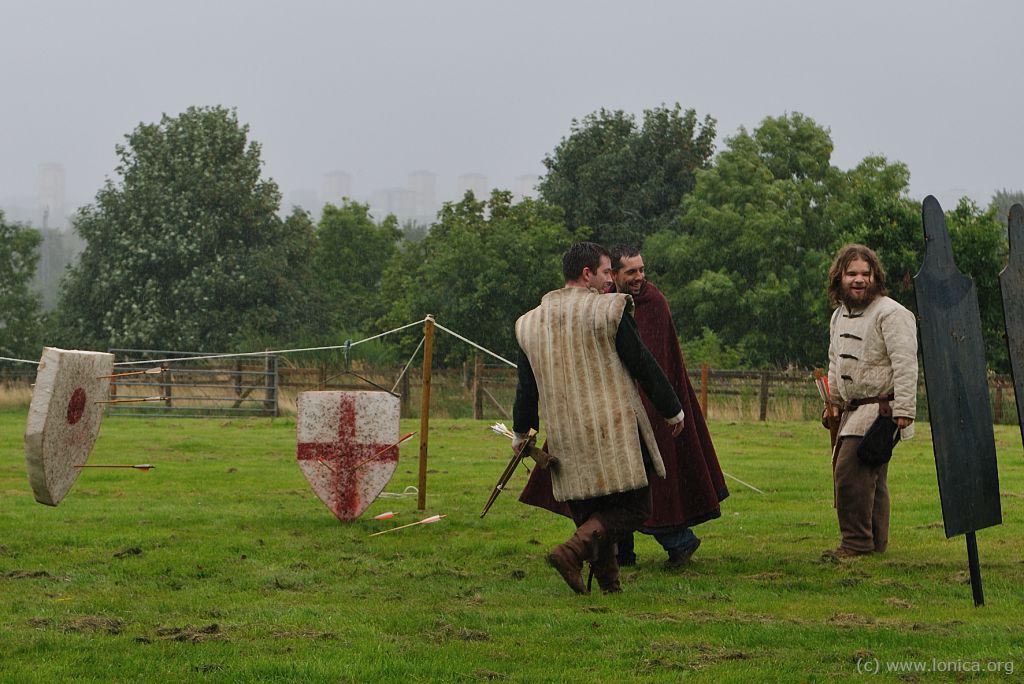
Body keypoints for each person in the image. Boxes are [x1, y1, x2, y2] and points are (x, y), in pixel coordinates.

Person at [512, 242, 685, 594]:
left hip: (566, 434)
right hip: (615, 428)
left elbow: (526, 389)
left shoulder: (528, 323)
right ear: (587, 274)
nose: (610, 280)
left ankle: (609, 586)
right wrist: (672, 409)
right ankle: (571, 551)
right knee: (636, 508)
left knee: (594, 509)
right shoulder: (611, 309)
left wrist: (522, 432)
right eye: (607, 272)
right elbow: (642, 363)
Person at [607, 245, 729, 568]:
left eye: (641, 270)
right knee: (616, 480)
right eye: (631, 271)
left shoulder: (653, 303)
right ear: (615, 273)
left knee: (654, 482)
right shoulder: (605, 301)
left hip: (650, 406)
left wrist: (657, 408)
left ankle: (679, 542)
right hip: (612, 405)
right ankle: (622, 553)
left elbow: (654, 362)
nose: (639, 277)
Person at [824, 244, 917, 558]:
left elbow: (905, 363)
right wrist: (833, 401)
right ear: (840, 277)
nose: (859, 280)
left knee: (850, 473)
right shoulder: (839, 316)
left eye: (866, 273)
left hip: (880, 408)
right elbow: (836, 362)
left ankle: (856, 543)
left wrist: (904, 409)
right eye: (852, 274)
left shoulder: (891, 313)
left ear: (876, 276)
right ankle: (875, 544)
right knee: (872, 477)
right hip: (852, 410)